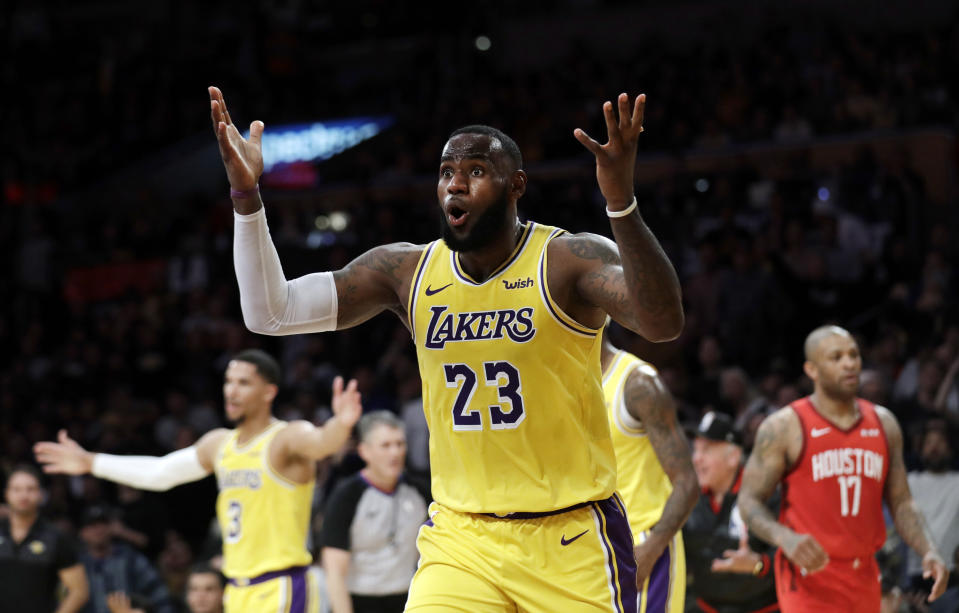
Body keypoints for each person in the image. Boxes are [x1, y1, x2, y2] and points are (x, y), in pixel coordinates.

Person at [210, 83, 684, 612]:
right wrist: (247, 200)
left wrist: (621, 202)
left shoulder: (566, 258)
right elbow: (270, 313)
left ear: (515, 186)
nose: (456, 185)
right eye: (446, 173)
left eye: (476, 171)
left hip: (569, 537)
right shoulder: (406, 271)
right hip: (461, 540)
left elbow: (661, 322)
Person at [35, 349, 363, 613]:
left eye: (243, 383)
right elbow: (161, 474)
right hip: (237, 590)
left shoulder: (286, 437)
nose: (231, 391)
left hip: (283, 587)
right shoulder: (218, 444)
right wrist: (92, 462)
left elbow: (322, 442)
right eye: (228, 382)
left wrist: (342, 424)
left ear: (269, 392)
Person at [739, 325, 950, 612]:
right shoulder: (784, 427)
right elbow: (748, 500)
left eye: (853, 355)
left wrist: (928, 549)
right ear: (811, 369)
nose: (849, 363)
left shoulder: (884, 424)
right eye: (836, 357)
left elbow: (901, 502)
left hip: (864, 571)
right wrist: (783, 536)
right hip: (807, 575)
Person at [600, 327, 697, 613]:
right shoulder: (558, 379)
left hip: (640, 542)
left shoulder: (638, 383)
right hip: (584, 542)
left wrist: (653, 548)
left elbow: (687, 483)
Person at [321, 411, 429, 613]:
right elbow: (334, 571)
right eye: (386, 445)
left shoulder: (420, 492)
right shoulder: (346, 496)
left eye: (399, 444)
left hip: (409, 598)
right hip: (360, 600)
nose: (395, 453)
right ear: (364, 451)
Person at [683, 412, 779, 613]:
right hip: (705, 607)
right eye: (696, 449)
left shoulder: (766, 494)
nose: (696, 459)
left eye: (706, 450)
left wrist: (759, 564)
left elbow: (793, 554)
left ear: (733, 457)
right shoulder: (687, 498)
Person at [0, 464, 89, 613]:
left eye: (30, 489)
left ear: (41, 494)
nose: (23, 495)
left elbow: (79, 591)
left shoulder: (55, 537)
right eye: (16, 489)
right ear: (6, 494)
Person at [77, 504, 176, 613]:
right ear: (82, 532)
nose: (98, 530)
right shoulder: (76, 566)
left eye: (103, 524)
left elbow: (159, 594)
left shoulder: (131, 559)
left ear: (112, 528)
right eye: (92, 525)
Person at [905, 421, 959, 590]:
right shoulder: (909, 482)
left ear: (950, 449)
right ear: (920, 450)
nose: (934, 447)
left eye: (940, 442)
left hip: (951, 571)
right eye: (929, 443)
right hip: (917, 571)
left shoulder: (957, 482)